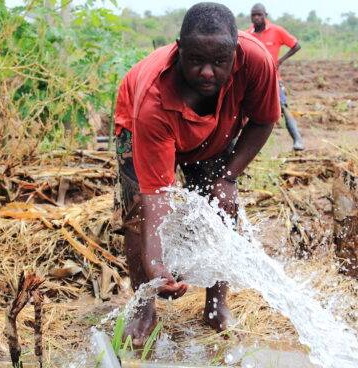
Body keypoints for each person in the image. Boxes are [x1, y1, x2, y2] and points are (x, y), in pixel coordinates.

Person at [113, 2, 280, 346]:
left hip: (214, 130)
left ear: (235, 53)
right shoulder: (152, 103)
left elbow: (263, 120)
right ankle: (143, 307)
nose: (207, 72)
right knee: (137, 214)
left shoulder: (258, 61)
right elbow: (156, 195)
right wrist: (157, 264)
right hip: (145, 127)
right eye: (196, 61)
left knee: (221, 204)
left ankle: (216, 306)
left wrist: (229, 178)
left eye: (219, 62)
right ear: (179, 49)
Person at [248, 3, 305, 151]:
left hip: (273, 78)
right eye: (254, 15)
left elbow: (296, 45)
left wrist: (280, 61)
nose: (256, 18)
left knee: (283, 107)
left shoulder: (276, 31)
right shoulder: (248, 34)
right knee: (247, 112)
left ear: (265, 15)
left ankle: (298, 140)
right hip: (253, 81)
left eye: (259, 15)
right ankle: (245, 148)